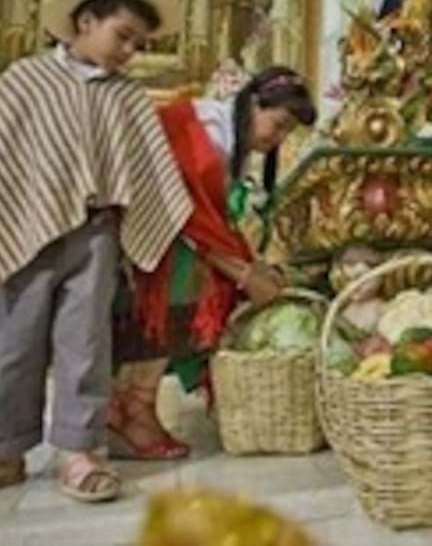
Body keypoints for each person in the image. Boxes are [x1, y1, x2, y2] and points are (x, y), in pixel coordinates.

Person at [0, 0, 192, 503]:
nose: (129, 51)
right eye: (123, 35)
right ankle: (3, 454)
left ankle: (80, 452)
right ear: (85, 22)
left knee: (85, 343)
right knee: (17, 344)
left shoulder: (127, 96)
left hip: (96, 233)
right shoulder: (26, 79)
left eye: (138, 43)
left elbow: (146, 170)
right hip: (25, 229)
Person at [108, 66, 317, 459]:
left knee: (205, 277)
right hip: (150, 245)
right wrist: (242, 273)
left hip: (169, 242)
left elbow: (209, 220)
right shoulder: (200, 129)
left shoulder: (223, 139)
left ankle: (130, 405)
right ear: (254, 103)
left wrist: (250, 267)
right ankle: (133, 407)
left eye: (288, 133)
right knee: (191, 282)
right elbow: (182, 217)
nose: (277, 139)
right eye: (279, 124)